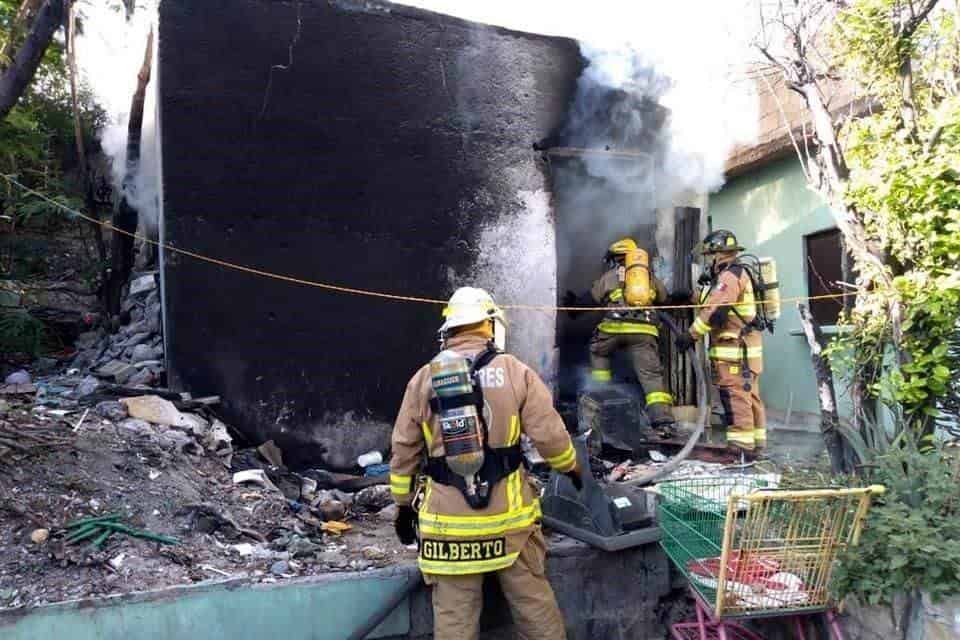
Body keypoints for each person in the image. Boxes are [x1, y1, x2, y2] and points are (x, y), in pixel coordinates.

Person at [390, 286, 582, 640]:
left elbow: (404, 449)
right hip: (509, 524)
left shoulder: (423, 378)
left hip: (448, 528)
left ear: (448, 331)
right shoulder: (515, 371)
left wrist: (403, 506)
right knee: (533, 607)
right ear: (490, 325)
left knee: (454, 618)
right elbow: (550, 435)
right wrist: (571, 467)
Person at [564, 238, 676, 430]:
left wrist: (573, 307)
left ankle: (602, 398)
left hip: (613, 330)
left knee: (599, 352)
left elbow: (590, 300)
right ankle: (662, 421)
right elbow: (666, 299)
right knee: (650, 376)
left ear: (617, 258)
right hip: (644, 332)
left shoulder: (609, 277)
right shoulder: (649, 277)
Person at [675, 230, 766, 453]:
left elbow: (716, 312)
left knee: (735, 395)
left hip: (735, 351)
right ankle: (756, 444)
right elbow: (714, 300)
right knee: (749, 396)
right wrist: (689, 296)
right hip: (746, 350)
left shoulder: (730, 276)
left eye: (709, 256)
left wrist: (690, 335)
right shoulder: (733, 275)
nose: (708, 261)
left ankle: (741, 447)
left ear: (718, 255)